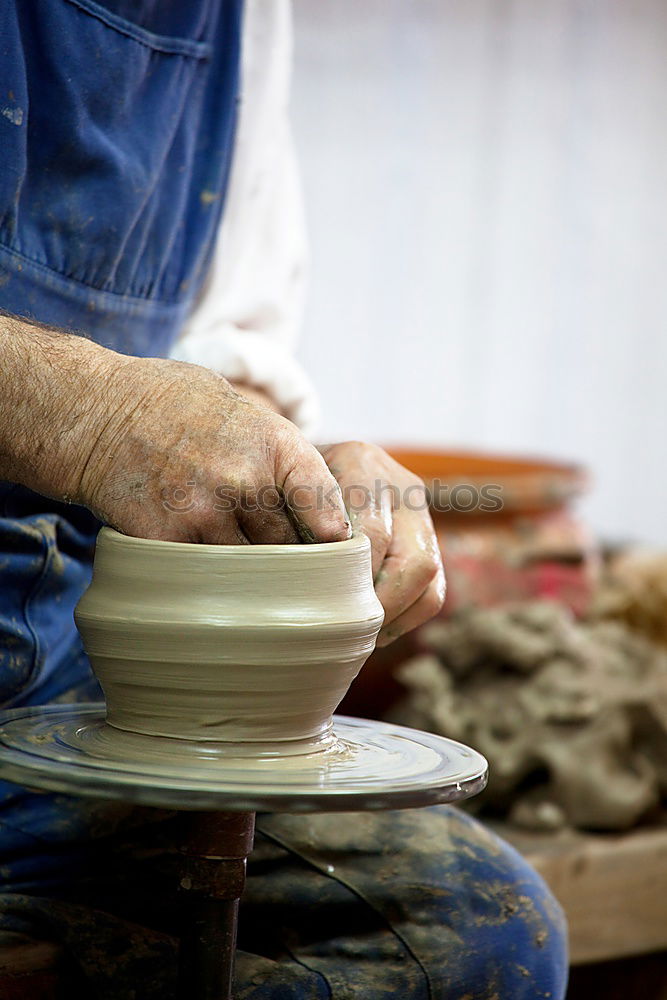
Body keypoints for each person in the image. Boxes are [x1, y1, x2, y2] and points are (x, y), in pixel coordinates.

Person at [0, 0, 567, 996]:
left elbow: (226, 361)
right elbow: (121, 411)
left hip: (76, 701)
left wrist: (303, 476)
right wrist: (81, 410)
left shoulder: (243, 18)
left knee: (487, 936)